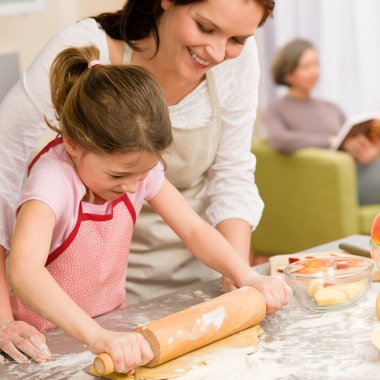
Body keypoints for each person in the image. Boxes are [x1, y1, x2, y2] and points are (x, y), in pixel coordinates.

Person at [0, 0, 286, 363]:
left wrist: (245, 275)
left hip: (112, 321)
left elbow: (195, 229)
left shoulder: (137, 165)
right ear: (72, 142)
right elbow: (24, 270)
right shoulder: (52, 183)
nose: (135, 188)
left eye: (236, 39)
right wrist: (94, 336)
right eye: (205, 28)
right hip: (48, 342)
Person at [264, 38, 380, 205]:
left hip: (359, 169)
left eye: (316, 65)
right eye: (306, 66)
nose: (314, 72)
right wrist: (329, 141)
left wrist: (372, 150)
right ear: (288, 73)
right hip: (334, 183)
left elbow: (350, 140)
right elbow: (280, 140)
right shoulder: (275, 110)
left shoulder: (331, 107)